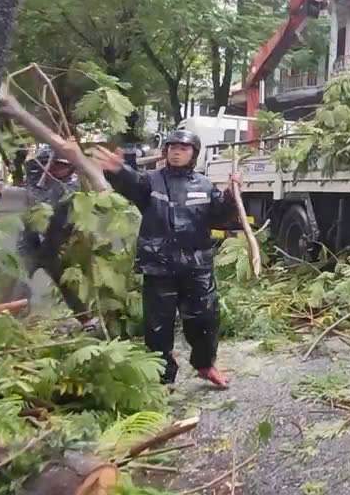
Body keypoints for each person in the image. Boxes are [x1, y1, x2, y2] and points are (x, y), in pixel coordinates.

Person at [90, 130, 241, 389]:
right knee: (158, 326)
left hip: (197, 267)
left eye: (183, 147)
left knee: (205, 319)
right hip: (158, 266)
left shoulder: (204, 185)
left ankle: (205, 366)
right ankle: (164, 377)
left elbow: (220, 218)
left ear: (194, 153)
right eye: (172, 146)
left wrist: (230, 195)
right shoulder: (151, 182)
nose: (176, 151)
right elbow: (132, 184)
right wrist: (118, 171)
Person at [16, 146, 94, 326]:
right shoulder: (35, 184)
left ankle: (86, 318)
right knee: (19, 283)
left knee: (67, 285)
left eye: (63, 165)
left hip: (55, 245)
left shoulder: (73, 187)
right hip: (30, 243)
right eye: (55, 165)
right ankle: (11, 320)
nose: (59, 169)